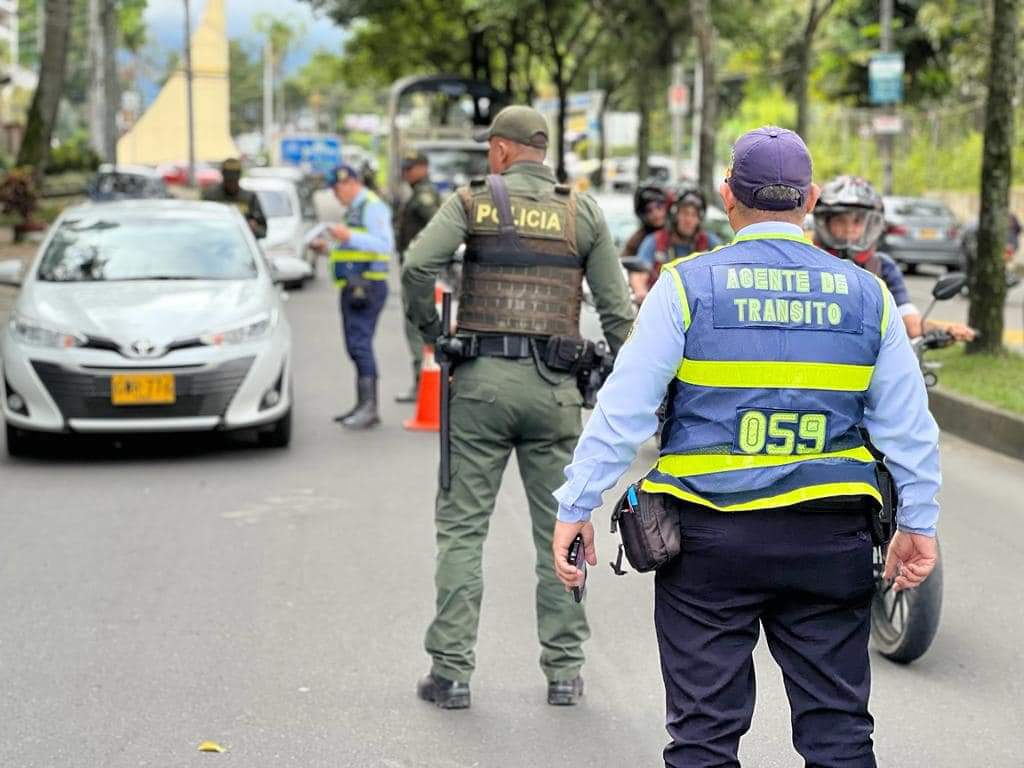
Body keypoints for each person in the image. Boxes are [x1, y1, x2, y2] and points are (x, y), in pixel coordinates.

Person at [552, 126, 941, 767]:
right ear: (809, 200)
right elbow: (909, 429)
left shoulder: (684, 287)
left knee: (703, 738)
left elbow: (622, 414)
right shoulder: (867, 295)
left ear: (727, 196)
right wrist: (918, 523)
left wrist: (576, 506)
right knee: (840, 736)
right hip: (830, 538)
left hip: (708, 546)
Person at [402, 105, 633, 710]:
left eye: (489, 148)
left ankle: (450, 673)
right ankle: (564, 672)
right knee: (558, 535)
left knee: (461, 532)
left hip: (478, 388)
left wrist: (435, 335)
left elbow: (417, 265)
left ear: (502, 151)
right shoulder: (581, 210)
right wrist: (634, 393)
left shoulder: (471, 202)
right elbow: (617, 312)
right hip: (555, 391)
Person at [814, 175, 974, 341]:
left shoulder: (882, 266)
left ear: (872, 224)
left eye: (857, 221)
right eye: (840, 221)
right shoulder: (809, 263)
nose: (849, 229)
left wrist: (946, 329)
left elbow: (911, 325)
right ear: (824, 222)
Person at [310, 164, 394, 429]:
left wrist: (349, 236)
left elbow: (384, 245)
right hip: (355, 285)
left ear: (350, 183)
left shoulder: (371, 205)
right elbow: (354, 250)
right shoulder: (356, 210)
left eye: (337, 190)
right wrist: (330, 248)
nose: (336, 196)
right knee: (355, 346)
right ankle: (363, 405)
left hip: (366, 286)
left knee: (360, 345)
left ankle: (369, 408)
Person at [393, 150, 441, 403]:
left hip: (420, 272)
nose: (406, 173)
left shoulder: (423, 195)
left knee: (416, 325)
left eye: (411, 168)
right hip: (419, 268)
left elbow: (435, 227)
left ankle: (424, 383)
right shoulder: (417, 192)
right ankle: (423, 381)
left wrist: (419, 256)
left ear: (423, 168)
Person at [630, 185, 723, 303]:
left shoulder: (709, 242)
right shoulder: (655, 241)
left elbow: (726, 271)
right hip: (662, 308)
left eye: (693, 215)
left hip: (701, 312)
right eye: (684, 213)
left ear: (700, 218)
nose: (689, 219)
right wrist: (641, 292)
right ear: (675, 215)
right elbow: (639, 272)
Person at [201, 158, 267, 239]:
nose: (231, 183)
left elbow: (263, 231)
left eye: (234, 180)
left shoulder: (250, 198)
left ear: (239, 177)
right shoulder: (210, 196)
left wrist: (254, 229)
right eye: (228, 180)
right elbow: (200, 226)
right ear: (223, 176)